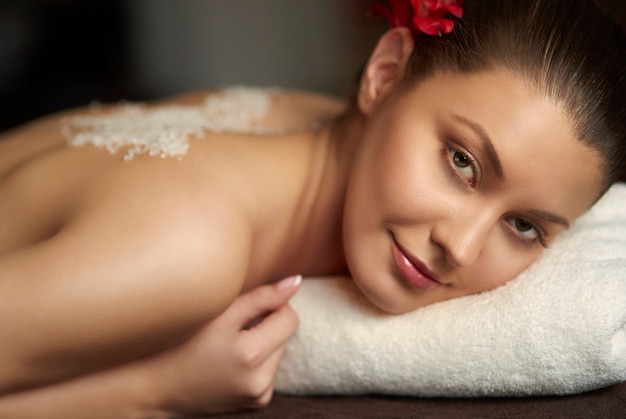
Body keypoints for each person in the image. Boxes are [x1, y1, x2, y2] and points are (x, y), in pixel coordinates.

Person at [0, 0, 624, 416]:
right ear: (384, 74)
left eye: (524, 226)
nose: (460, 247)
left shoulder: (298, 118)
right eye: (462, 162)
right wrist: (161, 388)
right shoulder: (194, 246)